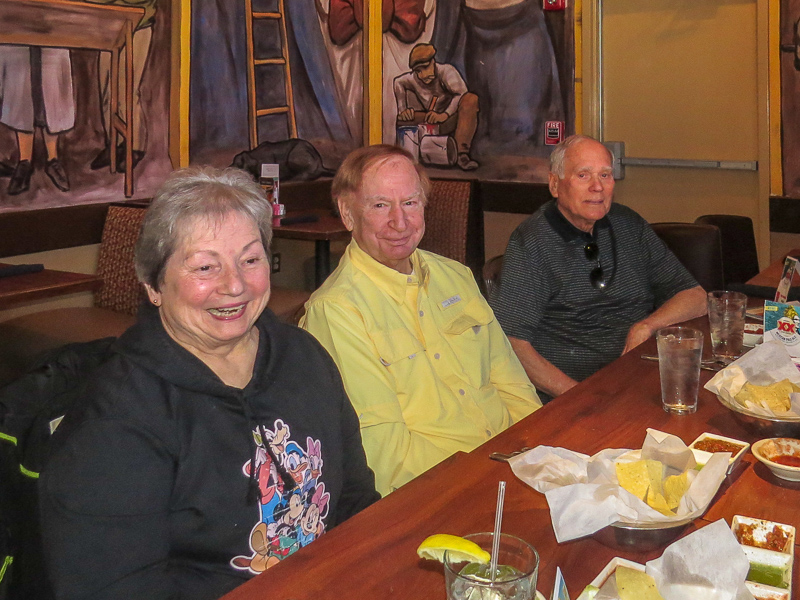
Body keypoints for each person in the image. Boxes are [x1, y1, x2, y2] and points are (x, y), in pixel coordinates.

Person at [39, 167, 379, 599]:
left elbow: (354, 501)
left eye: (250, 260)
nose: (234, 285)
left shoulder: (304, 357)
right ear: (153, 284)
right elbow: (114, 588)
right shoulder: (117, 415)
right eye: (205, 266)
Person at [300, 145, 541, 497]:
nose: (400, 222)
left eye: (410, 203)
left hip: (517, 468)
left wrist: (540, 451)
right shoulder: (337, 311)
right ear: (348, 213)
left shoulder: (456, 276)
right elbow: (388, 459)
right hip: (444, 493)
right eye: (380, 205)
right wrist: (489, 478)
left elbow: (513, 385)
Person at [490, 135, 707, 403]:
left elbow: (695, 296)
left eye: (605, 175)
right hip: (570, 390)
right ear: (555, 184)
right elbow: (511, 342)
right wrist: (579, 398)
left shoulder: (628, 224)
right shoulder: (532, 242)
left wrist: (646, 326)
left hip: (640, 377)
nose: (597, 187)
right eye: (583, 175)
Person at [393, 42, 480, 170]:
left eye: (426, 67)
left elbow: (461, 94)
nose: (423, 75)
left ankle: (462, 154)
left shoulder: (446, 71)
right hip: (430, 120)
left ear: (433, 61)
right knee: (402, 120)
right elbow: (397, 82)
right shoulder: (411, 79)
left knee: (471, 100)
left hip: (451, 118)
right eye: (418, 71)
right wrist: (403, 110)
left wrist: (444, 115)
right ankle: (405, 157)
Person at [0, 45, 73, 195]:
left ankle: (53, 160)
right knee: (21, 99)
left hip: (51, 40)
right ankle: (25, 162)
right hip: (18, 43)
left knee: (53, 100)